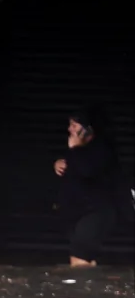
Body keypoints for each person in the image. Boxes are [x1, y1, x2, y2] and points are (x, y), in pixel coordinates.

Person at [54, 106, 121, 267]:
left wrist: (74, 149)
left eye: (75, 125)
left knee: (79, 258)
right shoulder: (77, 149)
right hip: (78, 213)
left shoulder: (101, 149)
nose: (70, 129)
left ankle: (80, 291)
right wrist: (58, 163)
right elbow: (72, 169)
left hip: (95, 214)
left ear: (88, 129)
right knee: (86, 260)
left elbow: (87, 171)